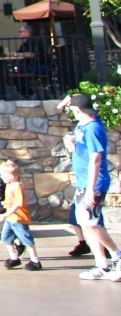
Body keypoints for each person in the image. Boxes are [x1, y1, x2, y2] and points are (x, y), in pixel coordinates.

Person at [57, 94, 121, 280]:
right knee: (86, 224)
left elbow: (95, 159)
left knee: (91, 223)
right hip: (84, 182)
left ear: (77, 110)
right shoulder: (83, 124)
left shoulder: (92, 128)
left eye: (72, 110)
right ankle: (101, 265)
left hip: (93, 183)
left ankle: (117, 256)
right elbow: (71, 98)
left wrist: (91, 189)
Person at [0, 160, 42, 270]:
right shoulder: (8, 185)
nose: (1, 177)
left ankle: (35, 261)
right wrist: (5, 203)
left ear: (11, 175)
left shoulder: (17, 186)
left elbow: (18, 203)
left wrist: (5, 214)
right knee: (6, 239)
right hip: (10, 219)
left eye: (3, 174)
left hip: (18, 219)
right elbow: (11, 200)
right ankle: (14, 258)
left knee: (27, 240)